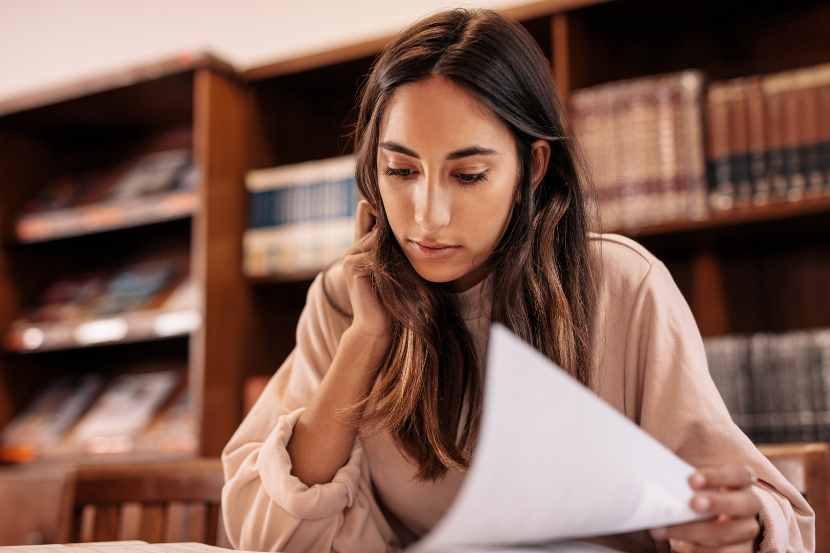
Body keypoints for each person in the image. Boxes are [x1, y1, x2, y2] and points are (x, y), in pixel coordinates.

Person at [222, 8, 814, 553]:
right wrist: (366, 339)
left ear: (532, 167)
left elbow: (758, 514)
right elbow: (264, 533)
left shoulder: (623, 287)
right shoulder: (345, 298)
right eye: (400, 170)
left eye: (468, 175)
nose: (428, 216)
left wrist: (737, 526)